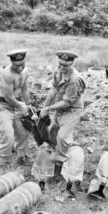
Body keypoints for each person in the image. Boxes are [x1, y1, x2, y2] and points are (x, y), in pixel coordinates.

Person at [40, 50, 86, 183]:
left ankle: (59, 166)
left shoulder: (74, 79)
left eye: (65, 66)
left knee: (62, 137)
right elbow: (53, 90)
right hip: (60, 109)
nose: (61, 67)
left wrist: (49, 108)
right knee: (54, 133)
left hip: (72, 110)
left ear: (71, 64)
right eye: (60, 64)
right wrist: (45, 107)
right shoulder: (58, 71)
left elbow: (67, 102)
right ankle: (57, 153)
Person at [0, 49, 31, 165]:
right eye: (16, 65)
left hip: (16, 103)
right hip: (2, 105)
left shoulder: (25, 71)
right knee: (8, 135)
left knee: (23, 131)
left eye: (22, 64)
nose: (20, 68)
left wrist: (28, 105)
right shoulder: (7, 74)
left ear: (25, 61)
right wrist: (21, 107)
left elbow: (25, 89)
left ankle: (21, 156)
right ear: (11, 62)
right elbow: (8, 97)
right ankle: (3, 160)